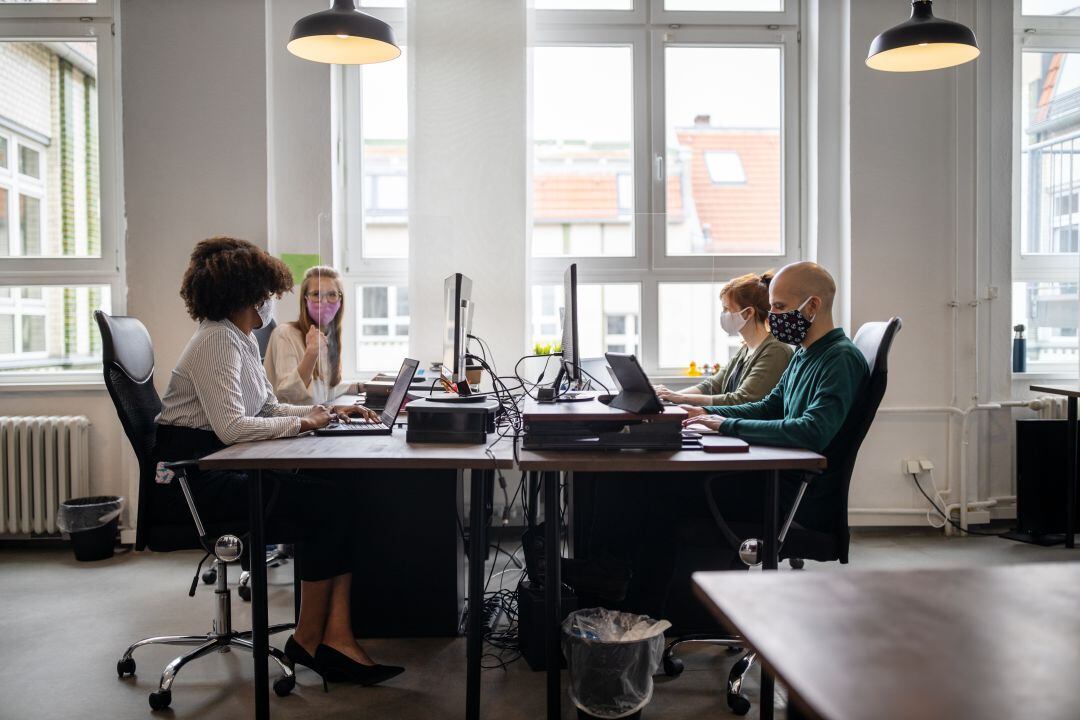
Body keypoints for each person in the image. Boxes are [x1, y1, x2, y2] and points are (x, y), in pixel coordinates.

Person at [154, 237, 404, 688]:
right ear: (245, 293)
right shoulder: (215, 341)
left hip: (223, 468)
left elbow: (267, 409)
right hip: (196, 485)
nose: (272, 301)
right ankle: (314, 641)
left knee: (338, 497)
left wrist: (327, 413)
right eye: (267, 292)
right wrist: (305, 425)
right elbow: (233, 427)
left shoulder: (241, 338)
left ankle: (333, 637)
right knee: (331, 507)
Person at [681, 260, 869, 533]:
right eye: (771, 308)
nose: (772, 316)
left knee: (670, 490)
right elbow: (770, 406)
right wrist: (709, 415)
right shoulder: (804, 352)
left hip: (795, 495)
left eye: (780, 307)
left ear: (813, 306)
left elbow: (812, 431)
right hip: (779, 479)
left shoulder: (839, 358)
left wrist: (726, 425)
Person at [654, 271, 792, 407]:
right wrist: (668, 399)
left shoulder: (775, 351)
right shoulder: (745, 349)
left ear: (748, 312)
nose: (723, 314)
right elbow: (712, 386)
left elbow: (741, 400)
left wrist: (680, 398)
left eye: (727, 308)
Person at [264, 266, 356, 405]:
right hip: (292, 423)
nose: (324, 301)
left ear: (340, 301)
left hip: (315, 419)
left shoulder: (328, 336)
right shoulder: (284, 334)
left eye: (332, 294)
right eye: (316, 294)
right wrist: (311, 353)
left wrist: (362, 386)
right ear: (305, 300)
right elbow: (289, 395)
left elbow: (322, 392)